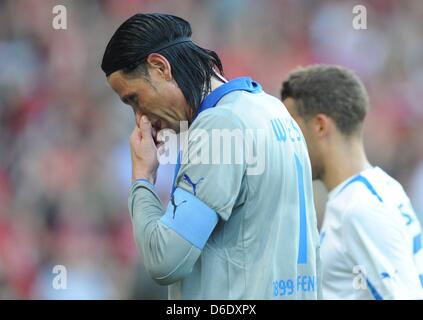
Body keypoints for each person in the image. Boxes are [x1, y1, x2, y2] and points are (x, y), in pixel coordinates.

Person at [101, 13, 320, 299]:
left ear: (160, 67)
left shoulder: (220, 126)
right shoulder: (273, 110)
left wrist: (142, 178)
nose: (140, 117)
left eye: (134, 98)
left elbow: (165, 262)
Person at [281, 64, 423, 299]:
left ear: (320, 125)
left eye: (292, 129)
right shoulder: (381, 187)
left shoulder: (359, 209)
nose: (287, 142)